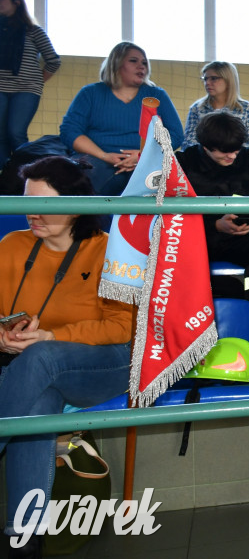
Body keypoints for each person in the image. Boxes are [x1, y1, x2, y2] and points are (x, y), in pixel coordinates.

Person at [0, 156, 133, 558]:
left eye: (43, 203)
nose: (31, 213)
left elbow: (122, 326)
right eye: (25, 203)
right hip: (32, 371)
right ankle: (24, 537)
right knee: (37, 409)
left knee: (40, 357)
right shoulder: (12, 246)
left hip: (104, 363)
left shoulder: (110, 250)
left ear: (76, 206)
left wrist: (51, 335)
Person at [176, 111, 249, 334]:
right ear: (205, 147)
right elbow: (173, 215)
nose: (232, 157)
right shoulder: (183, 164)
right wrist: (215, 225)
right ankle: (181, 329)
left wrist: (246, 222)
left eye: (236, 150)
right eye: (225, 153)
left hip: (241, 238)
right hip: (197, 239)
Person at [59, 41, 184, 195]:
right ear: (116, 64)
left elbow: (176, 135)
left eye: (144, 62)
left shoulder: (157, 95)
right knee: (87, 180)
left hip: (146, 161)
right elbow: (69, 132)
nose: (141, 66)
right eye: (133, 61)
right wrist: (104, 156)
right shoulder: (90, 93)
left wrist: (142, 155)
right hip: (97, 160)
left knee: (165, 184)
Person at [0, 0, 61, 168]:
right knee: (0, 135)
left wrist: (37, 81)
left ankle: (23, 173)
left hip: (26, 90)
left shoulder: (33, 31)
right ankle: (5, 176)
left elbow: (53, 60)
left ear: (16, 3)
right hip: (1, 88)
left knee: (15, 132)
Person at [182, 61, 249, 154]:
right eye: (205, 79)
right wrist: (212, 154)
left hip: (238, 163)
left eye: (213, 78)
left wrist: (231, 153)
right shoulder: (196, 108)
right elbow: (188, 143)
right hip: (205, 164)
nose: (207, 83)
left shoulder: (245, 108)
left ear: (228, 81)